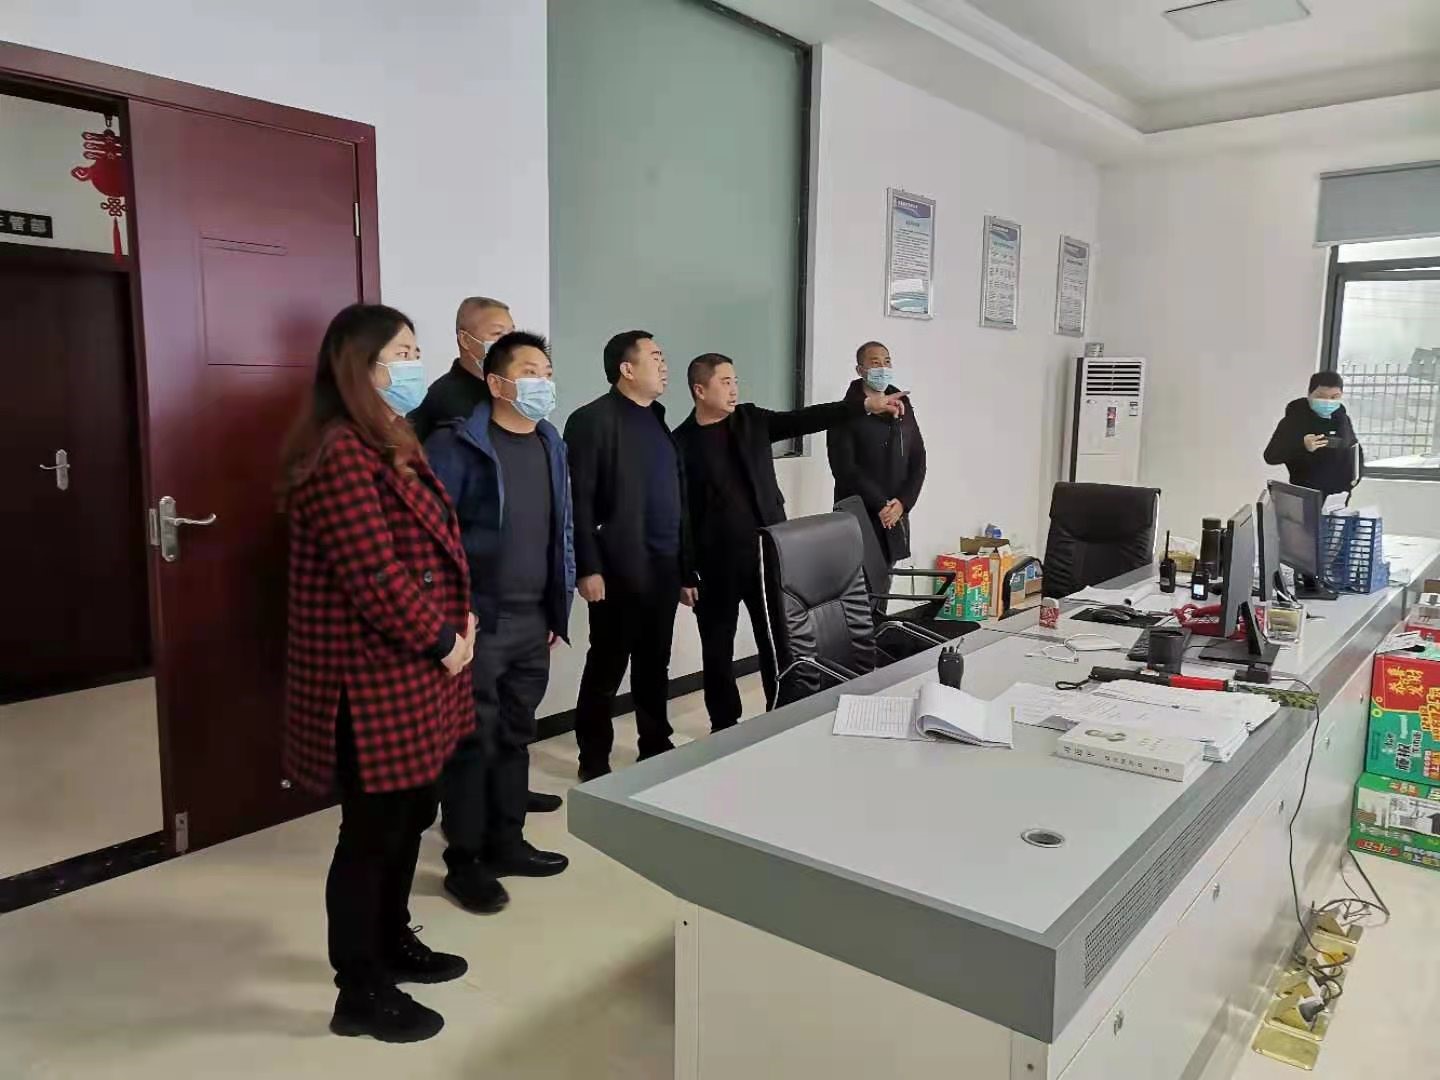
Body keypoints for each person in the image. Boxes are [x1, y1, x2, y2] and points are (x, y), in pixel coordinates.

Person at [280, 303, 477, 1044]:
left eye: (416, 351)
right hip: (368, 679)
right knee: (370, 834)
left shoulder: (389, 437)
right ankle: (358, 990)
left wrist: (455, 626)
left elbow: (429, 550)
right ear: (357, 367)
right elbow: (375, 575)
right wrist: (443, 639)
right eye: (400, 353)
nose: (412, 365)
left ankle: (393, 941)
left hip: (410, 672)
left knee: (411, 815)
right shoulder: (339, 453)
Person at [424, 331, 575, 914]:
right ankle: (465, 862)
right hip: (479, 622)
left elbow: (562, 527)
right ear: (496, 382)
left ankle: (507, 842)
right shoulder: (456, 445)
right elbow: (430, 540)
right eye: (530, 371)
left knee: (515, 734)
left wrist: (557, 605)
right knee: (471, 744)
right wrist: (451, 619)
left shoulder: (549, 440)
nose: (543, 382)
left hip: (534, 618)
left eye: (547, 371)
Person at [676, 353, 903, 731]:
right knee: (717, 650)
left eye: (735, 381)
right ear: (700, 390)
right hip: (714, 565)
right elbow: (679, 511)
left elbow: (806, 418)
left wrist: (865, 405)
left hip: (768, 556)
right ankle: (723, 725)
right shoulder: (681, 443)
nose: (734, 389)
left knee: (777, 642)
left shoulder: (750, 420)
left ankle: (781, 714)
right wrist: (684, 572)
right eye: (725, 382)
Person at [564, 331, 697, 781]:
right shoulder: (592, 420)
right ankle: (594, 758)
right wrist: (588, 567)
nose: (664, 365)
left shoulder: (658, 419)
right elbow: (579, 501)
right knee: (606, 667)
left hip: (662, 566)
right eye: (655, 356)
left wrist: (685, 570)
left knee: (654, 664)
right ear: (626, 368)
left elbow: (677, 500)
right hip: (617, 569)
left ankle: (655, 743)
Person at [827, 341, 927, 594]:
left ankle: (878, 622)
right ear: (860, 370)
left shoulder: (903, 407)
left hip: (894, 513)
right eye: (875, 363)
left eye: (887, 361)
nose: (883, 368)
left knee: (883, 585)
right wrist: (881, 504)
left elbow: (918, 458)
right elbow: (844, 468)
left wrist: (902, 503)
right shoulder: (845, 412)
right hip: (859, 512)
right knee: (857, 590)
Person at [407, 296, 514, 442]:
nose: (510, 343)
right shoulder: (448, 401)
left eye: (512, 334)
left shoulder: (503, 389)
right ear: (465, 340)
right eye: (497, 333)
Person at [1264, 371, 1364, 497]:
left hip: (1339, 496)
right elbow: (1271, 456)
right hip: (1306, 494)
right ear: (1309, 394)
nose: (1328, 402)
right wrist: (1302, 446)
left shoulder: (1342, 419)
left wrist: (1355, 479)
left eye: (1334, 397)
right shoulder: (1293, 420)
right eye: (1321, 396)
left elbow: (1355, 449)